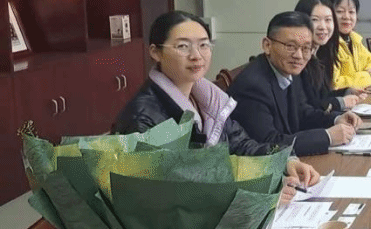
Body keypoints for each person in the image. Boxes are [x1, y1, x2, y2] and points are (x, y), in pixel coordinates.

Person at [112, 10, 320, 196]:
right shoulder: (143, 118)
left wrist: (285, 161)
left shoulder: (207, 99)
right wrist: (257, 192)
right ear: (156, 52)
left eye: (203, 45)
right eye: (183, 46)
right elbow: (172, 193)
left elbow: (241, 145)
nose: (196, 56)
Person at [229, 11, 361, 156]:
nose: (298, 55)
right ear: (267, 45)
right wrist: (327, 137)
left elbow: (303, 113)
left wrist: (336, 119)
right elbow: (268, 144)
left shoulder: (290, 70)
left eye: (306, 48)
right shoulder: (252, 86)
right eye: (290, 46)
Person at [294, 0, 366, 112]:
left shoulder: (322, 54)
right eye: (315, 20)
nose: (323, 27)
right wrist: (340, 102)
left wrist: (346, 92)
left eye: (328, 20)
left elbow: (321, 96)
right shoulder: (296, 59)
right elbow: (306, 108)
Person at [326, 0, 371, 90]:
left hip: (359, 95)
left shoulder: (354, 39)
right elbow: (335, 84)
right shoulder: (327, 44)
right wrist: (368, 76)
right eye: (340, 11)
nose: (346, 17)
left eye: (351, 12)